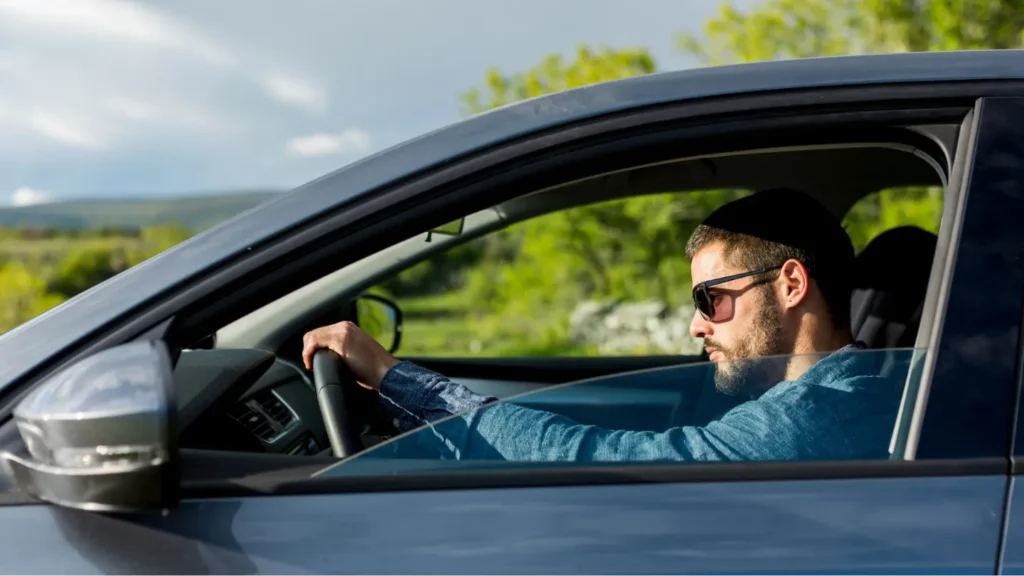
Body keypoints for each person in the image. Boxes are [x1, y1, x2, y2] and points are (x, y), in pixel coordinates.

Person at [302, 188, 906, 462]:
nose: (697, 326)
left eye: (711, 299)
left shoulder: (822, 412)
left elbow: (607, 460)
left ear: (793, 285)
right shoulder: (837, 396)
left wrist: (393, 376)